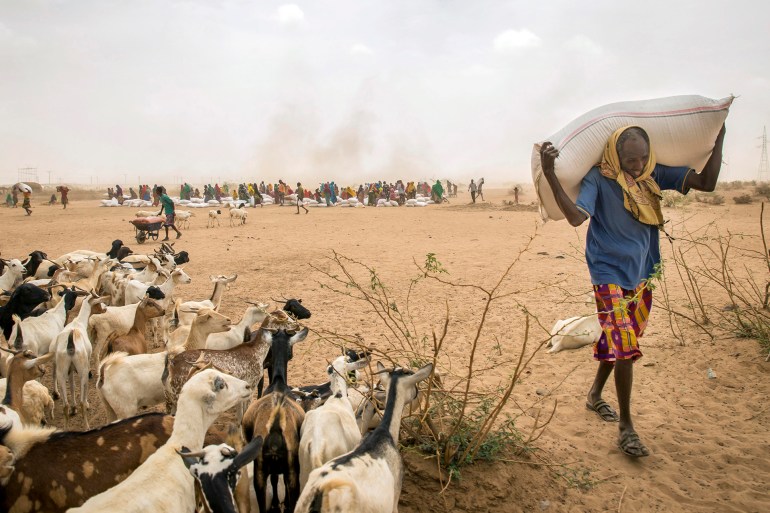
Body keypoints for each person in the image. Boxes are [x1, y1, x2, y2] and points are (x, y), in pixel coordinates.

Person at [540, 124, 727, 458]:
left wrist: (719, 135)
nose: (637, 165)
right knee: (624, 343)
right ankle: (627, 428)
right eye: (630, 159)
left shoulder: (653, 175)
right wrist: (550, 173)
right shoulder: (599, 179)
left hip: (642, 272)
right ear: (616, 154)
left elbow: (706, 183)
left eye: (642, 158)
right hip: (606, 271)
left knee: (621, 341)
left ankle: (595, 395)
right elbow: (574, 218)